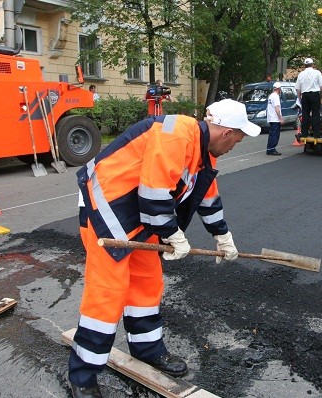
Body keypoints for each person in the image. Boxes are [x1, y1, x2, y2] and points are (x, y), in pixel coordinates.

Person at [68, 99, 261, 398]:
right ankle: (82, 375)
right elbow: (154, 191)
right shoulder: (177, 134)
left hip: (141, 217)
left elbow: (207, 198)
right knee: (108, 293)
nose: (235, 144)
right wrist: (173, 235)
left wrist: (223, 236)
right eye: (237, 139)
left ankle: (147, 350)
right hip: (105, 210)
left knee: (147, 283)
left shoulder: (204, 154)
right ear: (225, 132)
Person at [295, 58, 322, 140]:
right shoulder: (317, 72)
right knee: (316, 114)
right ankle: (317, 134)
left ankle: (304, 133)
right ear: (312, 64)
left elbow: (298, 88)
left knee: (305, 115)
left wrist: (299, 97)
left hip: (305, 95)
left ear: (304, 65)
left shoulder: (301, 74)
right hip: (315, 94)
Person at [266, 82, 284, 155]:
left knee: (271, 134)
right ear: (278, 89)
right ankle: (272, 149)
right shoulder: (276, 97)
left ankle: (269, 149)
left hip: (271, 118)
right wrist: (280, 118)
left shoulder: (270, 96)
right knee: (275, 135)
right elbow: (277, 108)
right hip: (275, 119)